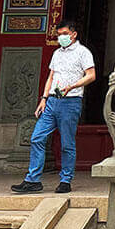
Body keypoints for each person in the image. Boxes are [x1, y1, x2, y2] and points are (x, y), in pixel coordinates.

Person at [11, 19, 95, 195]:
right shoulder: (57, 53)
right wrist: (43, 98)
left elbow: (91, 75)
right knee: (37, 138)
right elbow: (51, 77)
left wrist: (73, 86)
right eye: (59, 35)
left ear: (73, 34)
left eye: (65, 34)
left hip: (70, 102)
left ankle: (65, 180)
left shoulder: (83, 52)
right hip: (51, 102)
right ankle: (32, 180)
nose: (61, 37)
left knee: (67, 144)